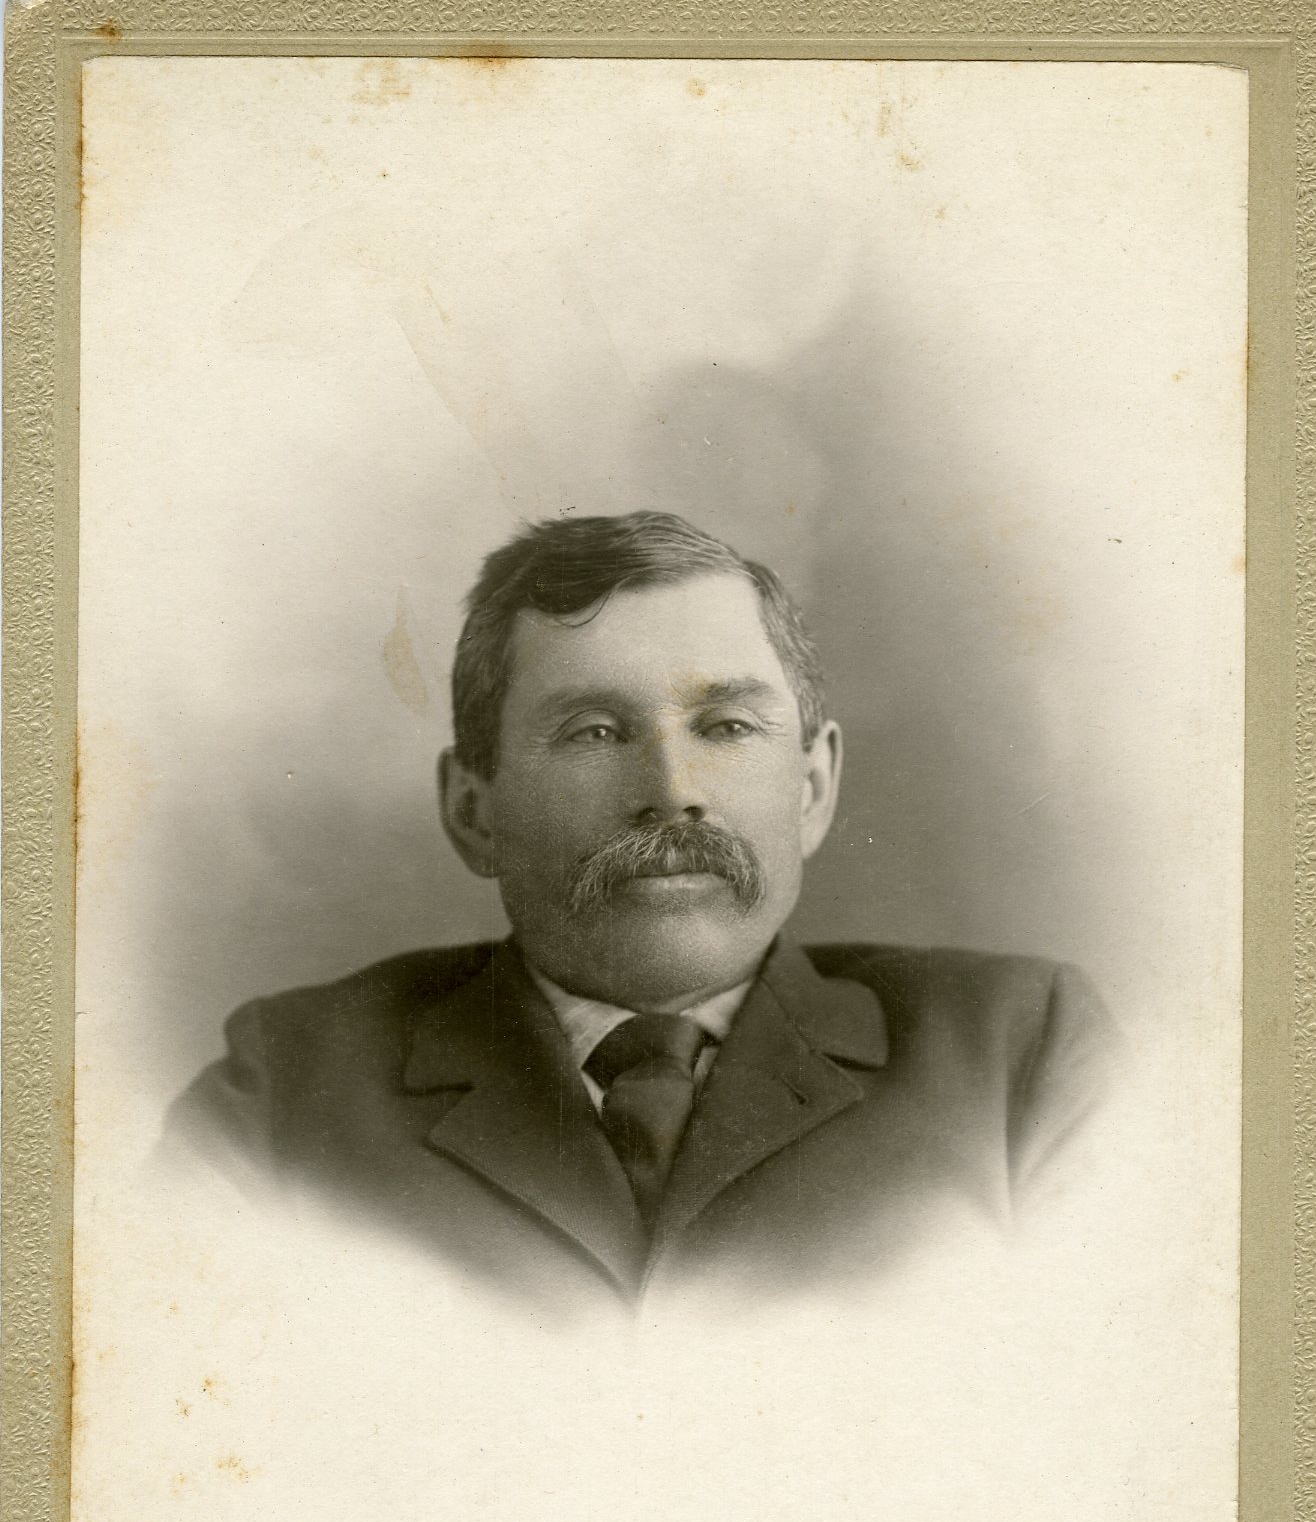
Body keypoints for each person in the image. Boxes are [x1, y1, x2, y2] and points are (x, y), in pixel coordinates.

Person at [165, 510, 1117, 1305]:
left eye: (726, 726)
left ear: (813, 787)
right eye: (594, 731)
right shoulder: (283, 1099)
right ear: (473, 810)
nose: (671, 790)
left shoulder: (1018, 1061)